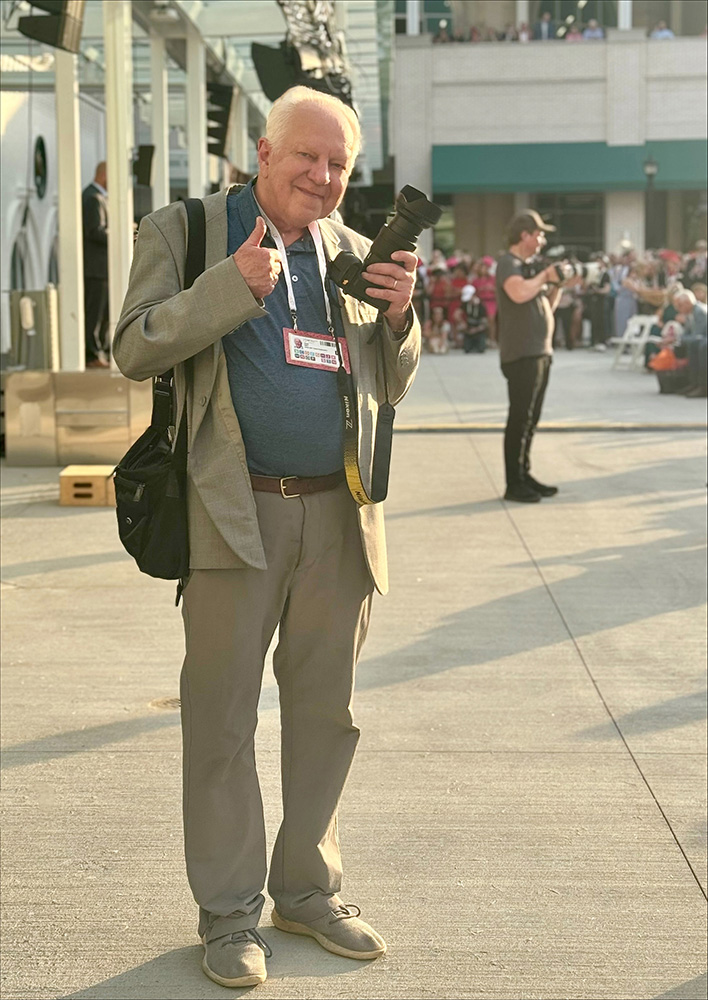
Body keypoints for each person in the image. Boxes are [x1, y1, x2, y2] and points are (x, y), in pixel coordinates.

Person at [113, 86, 421, 989]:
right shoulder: (187, 231)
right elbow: (131, 346)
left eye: (338, 166)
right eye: (306, 157)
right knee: (221, 719)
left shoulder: (357, 253)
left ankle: (307, 890)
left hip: (340, 512)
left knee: (328, 715)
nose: (322, 178)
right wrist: (226, 290)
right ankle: (229, 912)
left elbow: (389, 386)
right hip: (229, 511)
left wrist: (401, 319)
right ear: (263, 149)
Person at [495, 210, 567, 503]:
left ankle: (524, 474)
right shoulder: (508, 264)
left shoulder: (527, 267)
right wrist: (544, 276)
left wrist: (556, 284)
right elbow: (519, 294)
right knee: (520, 419)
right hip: (522, 353)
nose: (542, 239)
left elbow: (546, 305)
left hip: (539, 352)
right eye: (539, 234)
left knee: (531, 419)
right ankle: (514, 483)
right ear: (524, 235)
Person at [82, 161, 110, 368]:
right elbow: (94, 231)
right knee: (95, 313)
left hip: (101, 268)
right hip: (95, 268)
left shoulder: (98, 197)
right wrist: (120, 232)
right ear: (104, 175)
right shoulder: (93, 198)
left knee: (104, 313)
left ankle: (101, 351)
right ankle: (92, 354)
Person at [673, 289, 708, 397]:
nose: (678, 309)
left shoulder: (699, 312)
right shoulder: (690, 313)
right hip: (701, 339)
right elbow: (687, 333)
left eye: (679, 305)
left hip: (704, 339)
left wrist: (679, 339)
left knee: (701, 345)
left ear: (687, 303)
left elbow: (698, 335)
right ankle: (694, 383)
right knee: (692, 345)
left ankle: (703, 386)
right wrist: (676, 339)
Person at [460, 285, 488, 353]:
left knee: (481, 349)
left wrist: (476, 330)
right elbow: (456, 314)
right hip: (468, 330)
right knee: (466, 349)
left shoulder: (481, 306)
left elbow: (485, 323)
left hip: (479, 330)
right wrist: (462, 322)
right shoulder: (466, 304)